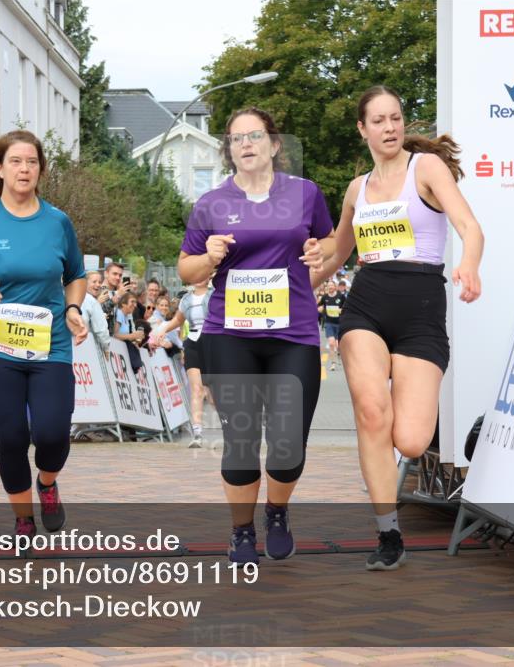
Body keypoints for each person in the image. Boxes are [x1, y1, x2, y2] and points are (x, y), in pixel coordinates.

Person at [313, 85, 483, 571]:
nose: (390, 128)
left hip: (422, 306)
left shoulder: (425, 169)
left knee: (409, 439)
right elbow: (337, 252)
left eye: (396, 118)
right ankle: (388, 533)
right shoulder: (356, 188)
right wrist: (297, 281)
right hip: (366, 304)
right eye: (379, 121)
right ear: (362, 129)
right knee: (371, 413)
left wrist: (469, 265)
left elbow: (471, 227)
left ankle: (387, 480)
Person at [178, 106, 334, 565]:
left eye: (255, 136)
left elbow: (326, 244)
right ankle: (242, 531)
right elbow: (188, 269)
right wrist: (208, 256)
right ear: (229, 150)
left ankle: (277, 511)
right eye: (236, 138)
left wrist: (315, 251)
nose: (246, 144)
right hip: (230, 334)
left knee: (288, 447)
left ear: (274, 144)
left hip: (294, 334)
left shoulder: (305, 194)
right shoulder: (211, 204)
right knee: (241, 441)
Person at [0, 129, 87, 544]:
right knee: (11, 435)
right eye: (16, 161)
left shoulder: (57, 221)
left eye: (31, 162)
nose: (24, 169)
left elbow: (76, 275)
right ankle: (23, 518)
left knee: (51, 433)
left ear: (40, 169)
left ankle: (47, 482)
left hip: (51, 346)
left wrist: (75, 308)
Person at [149, 276, 214, 448]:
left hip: (213, 342)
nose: (199, 278)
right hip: (192, 342)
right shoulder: (186, 299)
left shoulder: (216, 295)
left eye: (203, 273)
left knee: (214, 392)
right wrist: (161, 330)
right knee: (196, 389)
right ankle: (197, 433)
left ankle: (229, 428)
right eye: (196, 274)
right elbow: (178, 320)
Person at [317, 280, 346, 371]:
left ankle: (339, 355)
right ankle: (333, 364)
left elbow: (347, 307)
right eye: (328, 286)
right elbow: (318, 306)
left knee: (338, 345)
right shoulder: (325, 297)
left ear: (335, 287)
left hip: (339, 323)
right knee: (331, 343)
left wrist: (342, 310)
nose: (330, 287)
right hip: (329, 323)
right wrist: (319, 309)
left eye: (331, 285)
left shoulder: (341, 297)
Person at [113, 292, 145, 373]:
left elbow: (127, 335)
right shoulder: (119, 313)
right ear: (123, 304)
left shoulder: (127, 316)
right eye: (132, 302)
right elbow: (115, 335)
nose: (135, 305)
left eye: (135, 302)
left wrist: (134, 340)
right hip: (115, 351)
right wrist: (132, 336)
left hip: (121, 352)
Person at [82, 270, 112, 353]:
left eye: (99, 282)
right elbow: (101, 329)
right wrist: (106, 347)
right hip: (85, 347)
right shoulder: (92, 301)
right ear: (85, 283)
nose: (98, 285)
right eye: (94, 282)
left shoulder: (73, 297)